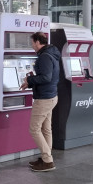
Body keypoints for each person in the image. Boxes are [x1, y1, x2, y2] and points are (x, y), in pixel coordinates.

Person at [20, 32, 60, 172]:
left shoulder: (44, 57)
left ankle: (48, 161)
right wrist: (30, 83)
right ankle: (45, 158)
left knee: (34, 129)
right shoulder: (51, 54)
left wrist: (29, 80)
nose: (32, 46)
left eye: (32, 43)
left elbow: (46, 78)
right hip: (51, 96)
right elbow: (46, 77)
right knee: (46, 129)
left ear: (37, 42)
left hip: (44, 98)